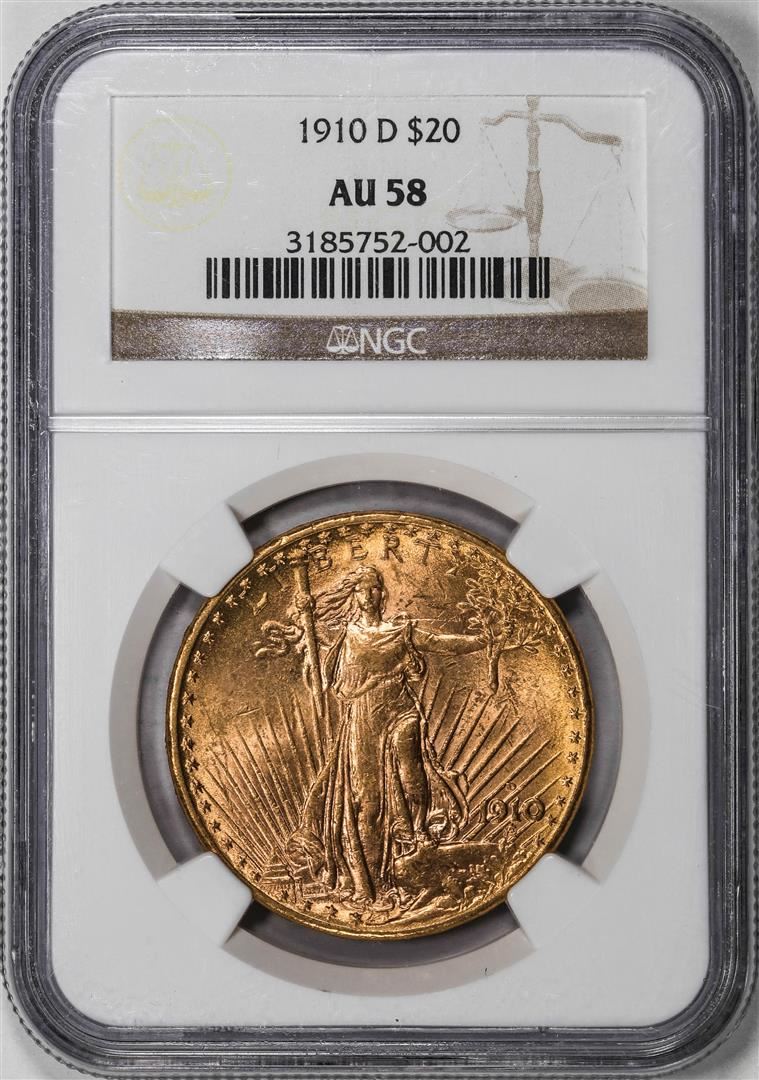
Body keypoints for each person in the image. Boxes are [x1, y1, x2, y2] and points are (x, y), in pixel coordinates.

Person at [286, 564, 485, 911]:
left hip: (401, 710)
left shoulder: (400, 631)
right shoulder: (346, 635)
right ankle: (372, 885)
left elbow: (440, 644)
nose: (370, 594)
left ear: (383, 593)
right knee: (369, 805)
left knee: (412, 777)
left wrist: (483, 641)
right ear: (355, 596)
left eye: (375, 588)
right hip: (364, 720)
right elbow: (314, 650)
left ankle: (418, 833)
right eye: (363, 589)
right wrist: (304, 614)